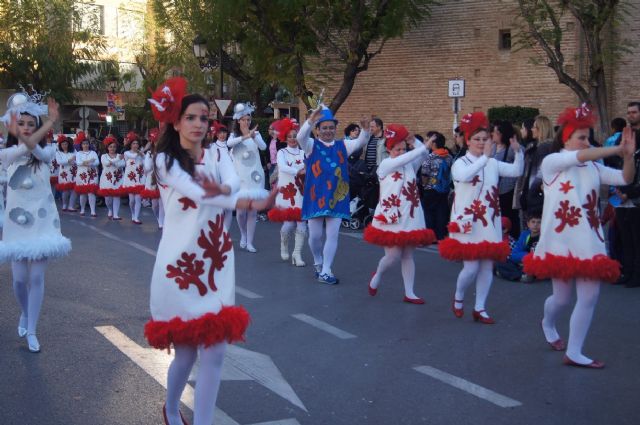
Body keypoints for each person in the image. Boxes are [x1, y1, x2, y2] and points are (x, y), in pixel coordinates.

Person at [143, 77, 275, 425]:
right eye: (191, 118)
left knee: (215, 351)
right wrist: (245, 201)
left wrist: (234, 190)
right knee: (185, 356)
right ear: (175, 121)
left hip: (216, 263)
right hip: (180, 265)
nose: (199, 124)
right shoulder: (165, 161)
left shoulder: (219, 151)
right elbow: (201, 193)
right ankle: (171, 409)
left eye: (204, 118)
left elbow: (231, 181)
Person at [523, 104, 636, 368]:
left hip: (589, 241)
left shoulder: (595, 168)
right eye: (581, 137)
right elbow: (578, 158)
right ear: (566, 138)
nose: (586, 141)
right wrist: (617, 149)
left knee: (589, 297)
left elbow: (625, 178)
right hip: (560, 242)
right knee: (561, 299)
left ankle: (574, 352)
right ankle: (548, 322)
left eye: (588, 137)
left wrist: (628, 157)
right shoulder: (552, 163)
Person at [0, 93, 71, 353]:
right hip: (17, 222)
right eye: (23, 123)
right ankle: (25, 313)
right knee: (19, 280)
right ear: (14, 126)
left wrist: (48, 124)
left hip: (43, 220)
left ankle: (32, 330)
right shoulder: (7, 153)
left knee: (37, 277)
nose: (28, 128)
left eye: (32, 124)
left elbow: (36, 149)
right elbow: (24, 146)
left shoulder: (47, 151)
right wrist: (47, 123)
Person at [439, 111, 523, 324]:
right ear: (467, 141)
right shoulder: (462, 163)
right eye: (477, 139)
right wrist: (485, 158)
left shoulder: (493, 163)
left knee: (487, 266)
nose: (482, 143)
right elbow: (463, 177)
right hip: (468, 222)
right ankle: (458, 297)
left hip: (490, 221)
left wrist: (518, 152)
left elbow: (515, 171)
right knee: (471, 267)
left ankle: (480, 307)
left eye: (485, 139)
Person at [297, 106, 370, 284]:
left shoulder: (342, 145)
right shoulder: (311, 145)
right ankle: (318, 262)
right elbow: (300, 137)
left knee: (332, 235)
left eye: (331, 128)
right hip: (315, 197)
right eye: (324, 127)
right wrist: (310, 120)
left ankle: (327, 269)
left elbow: (361, 142)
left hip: (337, 197)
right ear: (318, 129)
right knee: (314, 236)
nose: (328, 131)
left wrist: (366, 129)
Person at [364, 124, 436, 303]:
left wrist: (416, 142)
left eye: (404, 149)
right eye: (398, 149)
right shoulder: (386, 164)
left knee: (408, 255)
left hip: (410, 216)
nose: (402, 152)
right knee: (393, 256)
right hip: (391, 216)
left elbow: (423, 155)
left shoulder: (410, 164)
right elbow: (407, 158)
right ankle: (378, 275)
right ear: (389, 149)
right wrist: (420, 148)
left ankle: (409, 292)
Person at [227, 103, 268, 252]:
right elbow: (229, 144)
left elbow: (263, 147)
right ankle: (243, 234)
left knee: (252, 211)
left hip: (255, 176)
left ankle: (250, 241)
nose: (246, 122)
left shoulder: (256, 134)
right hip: (240, 177)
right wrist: (245, 136)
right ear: (238, 121)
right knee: (241, 212)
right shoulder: (234, 136)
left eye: (248, 119)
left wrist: (254, 136)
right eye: (243, 119)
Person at [268, 118, 308, 266]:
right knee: (289, 224)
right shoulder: (281, 152)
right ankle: (284, 244)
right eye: (289, 136)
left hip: (302, 191)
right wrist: (299, 171)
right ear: (285, 138)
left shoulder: (304, 152)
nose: (292, 139)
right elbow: (283, 167)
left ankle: (297, 254)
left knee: (302, 223)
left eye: (295, 136)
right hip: (287, 192)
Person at [613, 101, 640, 287]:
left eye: (634, 112)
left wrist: (629, 193)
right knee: (625, 238)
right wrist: (618, 189)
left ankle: (637, 274)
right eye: (628, 112)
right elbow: (615, 161)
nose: (630, 115)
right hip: (621, 195)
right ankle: (627, 271)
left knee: (637, 239)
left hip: (636, 196)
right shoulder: (622, 135)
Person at [419, 131, 452, 240]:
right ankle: (440, 235)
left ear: (433, 143)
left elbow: (424, 175)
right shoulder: (449, 157)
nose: (425, 142)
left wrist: (424, 186)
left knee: (429, 212)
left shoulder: (429, 158)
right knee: (442, 212)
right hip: (444, 189)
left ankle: (430, 236)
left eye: (427, 140)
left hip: (431, 189)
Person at [491, 120, 520, 238]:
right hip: (494, 189)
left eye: (496, 132)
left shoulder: (512, 149)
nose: (493, 134)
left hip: (508, 189)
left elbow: (519, 166)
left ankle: (511, 240)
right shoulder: (492, 147)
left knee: (509, 217)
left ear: (502, 134)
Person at [495, 212, 541, 282]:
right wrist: (527, 256)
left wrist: (531, 258)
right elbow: (514, 254)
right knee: (500, 263)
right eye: (533, 222)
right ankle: (521, 277)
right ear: (528, 224)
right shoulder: (525, 235)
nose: (535, 225)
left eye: (538, 222)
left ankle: (509, 274)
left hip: (537, 263)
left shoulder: (544, 237)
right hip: (523, 263)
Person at [140, 128, 164, 229]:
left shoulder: (165, 152)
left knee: (162, 203)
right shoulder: (149, 154)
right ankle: (159, 219)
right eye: (155, 140)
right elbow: (148, 167)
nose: (157, 142)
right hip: (152, 180)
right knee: (154, 205)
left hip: (163, 179)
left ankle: (161, 223)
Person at [97, 135, 125, 220]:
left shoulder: (120, 155)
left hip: (118, 179)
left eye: (114, 147)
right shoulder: (103, 156)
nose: (112, 148)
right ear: (107, 148)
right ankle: (110, 209)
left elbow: (122, 164)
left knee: (117, 196)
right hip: (106, 180)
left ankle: (116, 214)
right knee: (108, 199)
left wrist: (115, 162)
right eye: (110, 147)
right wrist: (117, 160)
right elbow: (107, 164)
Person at [122, 131, 145, 224]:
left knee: (138, 199)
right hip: (130, 178)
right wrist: (141, 152)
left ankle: (136, 217)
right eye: (134, 143)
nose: (136, 145)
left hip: (139, 177)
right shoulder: (127, 153)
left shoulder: (141, 152)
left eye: (137, 143)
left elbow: (145, 161)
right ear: (130, 144)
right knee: (131, 200)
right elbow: (133, 156)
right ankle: (133, 214)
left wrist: (142, 154)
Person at [74, 133, 100, 217]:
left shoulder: (93, 152)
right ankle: (82, 209)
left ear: (89, 144)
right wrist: (89, 161)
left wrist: (86, 163)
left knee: (91, 193)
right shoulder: (78, 153)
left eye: (87, 144)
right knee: (83, 193)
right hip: (82, 174)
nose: (85, 145)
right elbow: (78, 163)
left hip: (92, 174)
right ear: (81, 145)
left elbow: (97, 162)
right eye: (84, 144)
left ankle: (93, 210)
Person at [55, 135, 77, 211]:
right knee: (65, 190)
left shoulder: (73, 151)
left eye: (66, 144)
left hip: (73, 172)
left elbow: (77, 160)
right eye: (63, 144)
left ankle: (71, 206)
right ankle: (64, 204)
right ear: (60, 145)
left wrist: (71, 161)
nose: (64, 146)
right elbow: (59, 162)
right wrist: (69, 161)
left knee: (74, 190)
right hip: (64, 173)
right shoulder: (58, 153)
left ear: (68, 144)